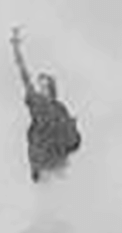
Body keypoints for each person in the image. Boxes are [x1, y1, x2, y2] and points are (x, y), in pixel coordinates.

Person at [10, 27, 82, 182]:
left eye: (45, 85)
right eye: (41, 85)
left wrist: (73, 142)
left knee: (62, 177)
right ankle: (42, 176)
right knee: (48, 178)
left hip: (57, 156)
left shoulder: (59, 108)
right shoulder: (36, 101)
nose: (43, 88)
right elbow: (24, 75)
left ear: (51, 88)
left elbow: (72, 135)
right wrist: (16, 48)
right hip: (43, 156)